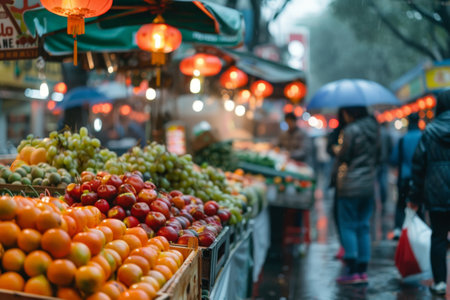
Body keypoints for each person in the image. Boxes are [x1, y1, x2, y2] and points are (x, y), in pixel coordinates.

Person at [410, 91, 450, 296]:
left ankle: (440, 282)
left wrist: (414, 196)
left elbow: (418, 166)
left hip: (436, 193)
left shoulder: (430, 131)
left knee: (439, 237)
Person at [334, 106, 380, 284]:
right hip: (368, 184)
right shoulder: (376, 130)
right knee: (363, 226)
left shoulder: (350, 130)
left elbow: (344, 156)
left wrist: (338, 150)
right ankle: (362, 271)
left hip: (350, 184)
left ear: (351, 113)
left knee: (348, 225)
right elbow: (380, 157)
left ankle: (351, 271)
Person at [391, 113, 422, 239]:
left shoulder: (403, 139)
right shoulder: (423, 137)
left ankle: (399, 229)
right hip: (419, 177)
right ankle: (419, 229)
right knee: (419, 205)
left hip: (404, 177)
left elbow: (393, 159)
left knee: (401, 203)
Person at [327, 108, 347, 259]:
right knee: (361, 222)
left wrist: (337, 151)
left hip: (346, 179)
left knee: (343, 215)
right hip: (365, 180)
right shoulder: (372, 131)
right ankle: (349, 249)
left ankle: (349, 251)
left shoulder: (350, 131)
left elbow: (339, 152)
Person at [376, 123, 393, 211]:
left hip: (376, 161)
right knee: (383, 181)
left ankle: (376, 201)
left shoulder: (376, 133)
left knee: (375, 182)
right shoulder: (387, 134)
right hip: (384, 161)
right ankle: (383, 199)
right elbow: (391, 148)